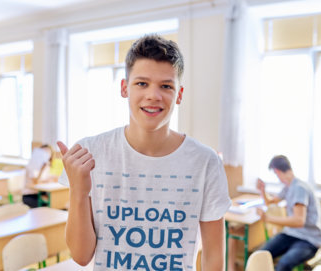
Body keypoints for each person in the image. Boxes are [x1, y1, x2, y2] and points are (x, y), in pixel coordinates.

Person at [57, 34, 231, 270]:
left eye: (166, 86)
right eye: (142, 83)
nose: (153, 95)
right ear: (124, 88)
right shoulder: (92, 152)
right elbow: (81, 256)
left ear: (179, 95)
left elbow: (213, 258)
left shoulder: (205, 162)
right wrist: (79, 191)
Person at [257, 155, 321, 271]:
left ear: (276, 171)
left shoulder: (299, 188)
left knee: (283, 264)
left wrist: (267, 218)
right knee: (259, 255)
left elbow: (299, 221)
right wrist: (262, 190)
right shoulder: (288, 186)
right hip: (291, 234)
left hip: (308, 240)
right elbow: (270, 201)